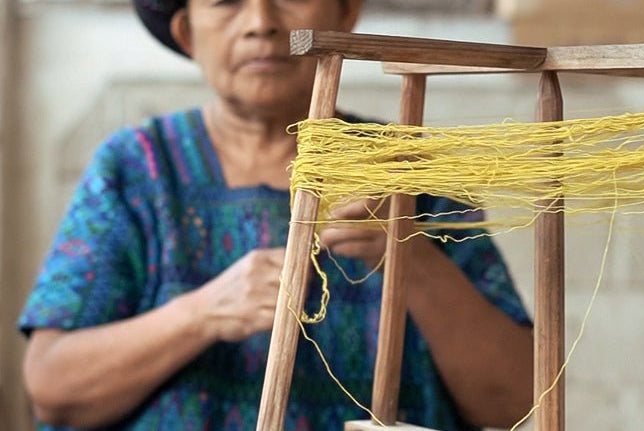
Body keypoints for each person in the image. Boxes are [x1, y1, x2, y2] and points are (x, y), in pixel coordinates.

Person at [17, 0, 534, 430]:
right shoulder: (137, 168)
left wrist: (411, 259)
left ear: (345, 13)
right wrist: (201, 313)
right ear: (187, 32)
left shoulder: (404, 172)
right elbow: (53, 389)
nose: (261, 21)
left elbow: (515, 399)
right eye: (225, 1)